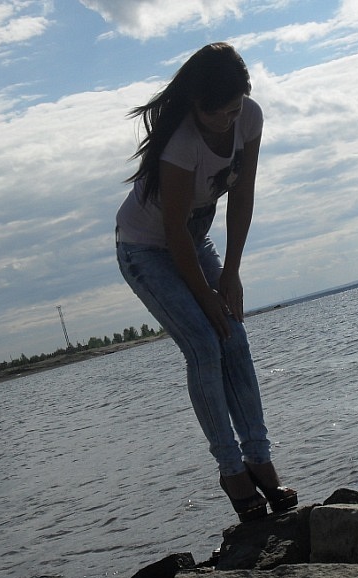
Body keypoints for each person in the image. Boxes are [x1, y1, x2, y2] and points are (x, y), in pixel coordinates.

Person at [115, 43, 296, 522]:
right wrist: (205, 297)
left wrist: (231, 273)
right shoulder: (181, 143)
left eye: (234, 109)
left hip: (194, 241)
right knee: (204, 342)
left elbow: (242, 194)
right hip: (146, 249)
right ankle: (231, 471)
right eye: (218, 113)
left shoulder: (249, 117)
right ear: (196, 104)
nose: (228, 120)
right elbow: (172, 230)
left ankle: (259, 458)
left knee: (235, 337)